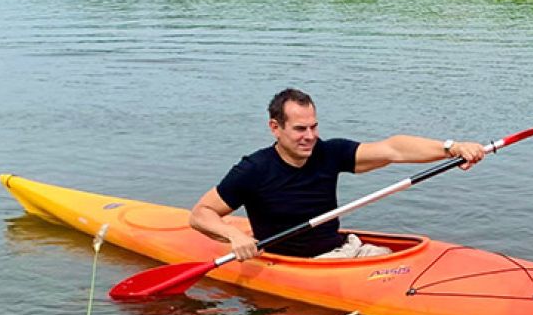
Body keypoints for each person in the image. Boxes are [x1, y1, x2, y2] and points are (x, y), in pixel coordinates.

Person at [188, 88, 487, 260]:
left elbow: (393, 149)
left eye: (314, 126)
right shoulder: (253, 170)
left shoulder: (329, 152)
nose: (310, 136)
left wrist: (452, 147)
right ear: (275, 128)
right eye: (300, 129)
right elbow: (200, 214)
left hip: (346, 250)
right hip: (301, 265)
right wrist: (233, 235)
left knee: (386, 257)